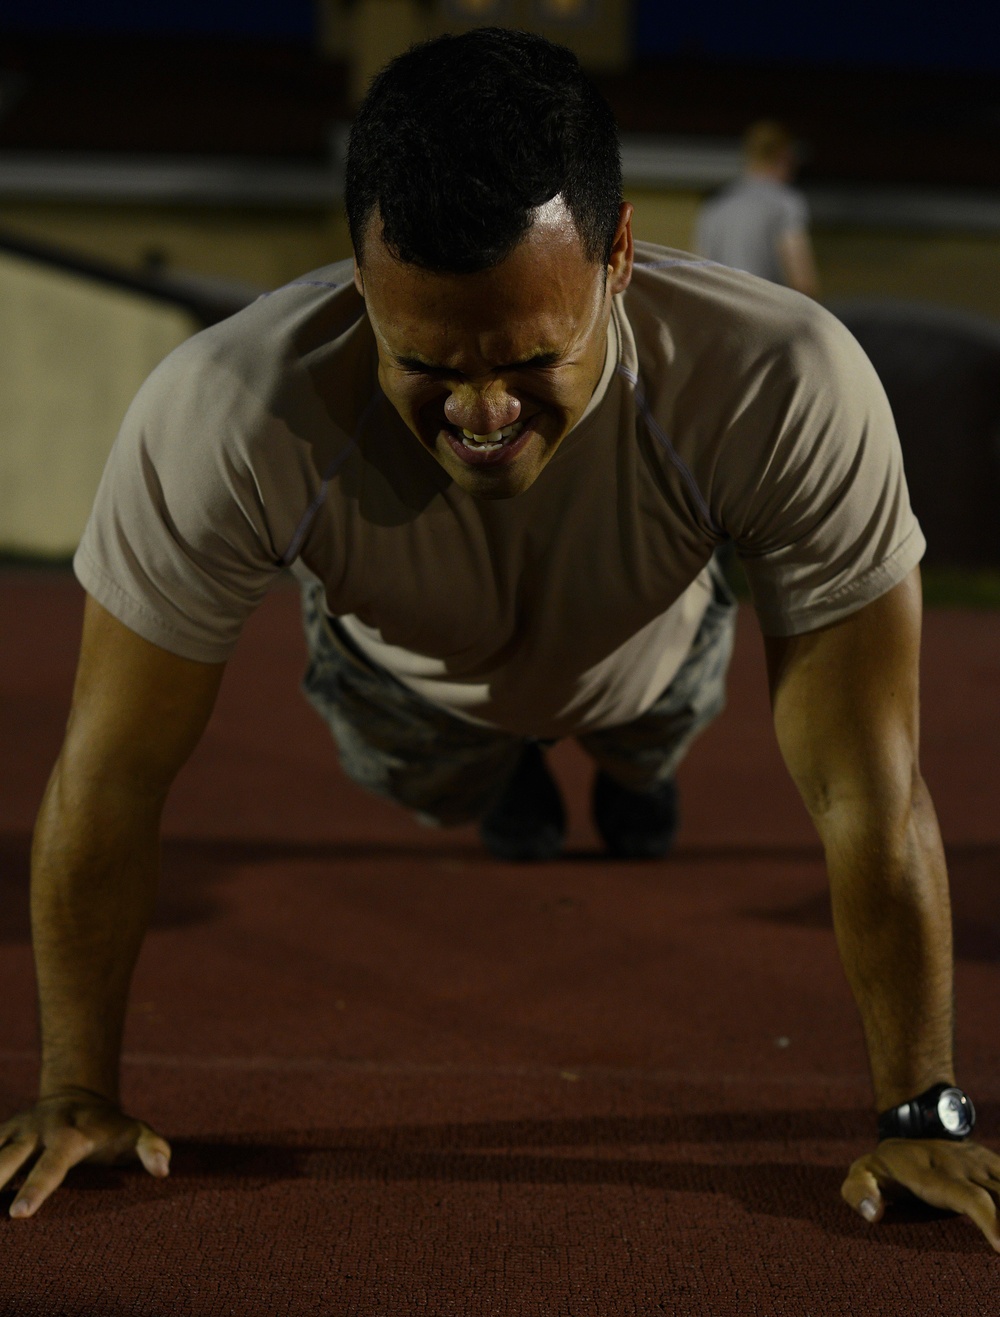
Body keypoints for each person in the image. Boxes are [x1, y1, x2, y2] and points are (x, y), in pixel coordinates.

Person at [1, 28, 998, 1248]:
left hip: (652, 659)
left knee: (646, 747)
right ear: (360, 278)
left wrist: (925, 1110)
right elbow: (110, 771)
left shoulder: (783, 380)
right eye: (426, 362)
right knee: (469, 776)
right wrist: (74, 1087)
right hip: (407, 700)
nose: (481, 411)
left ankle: (620, 764)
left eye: (532, 358)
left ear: (620, 254)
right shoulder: (223, 412)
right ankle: (515, 762)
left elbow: (869, 785)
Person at [695, 120, 820, 297]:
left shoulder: (715, 206)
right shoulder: (785, 202)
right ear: (784, 156)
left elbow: (700, 273)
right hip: (768, 316)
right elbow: (802, 281)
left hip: (722, 315)